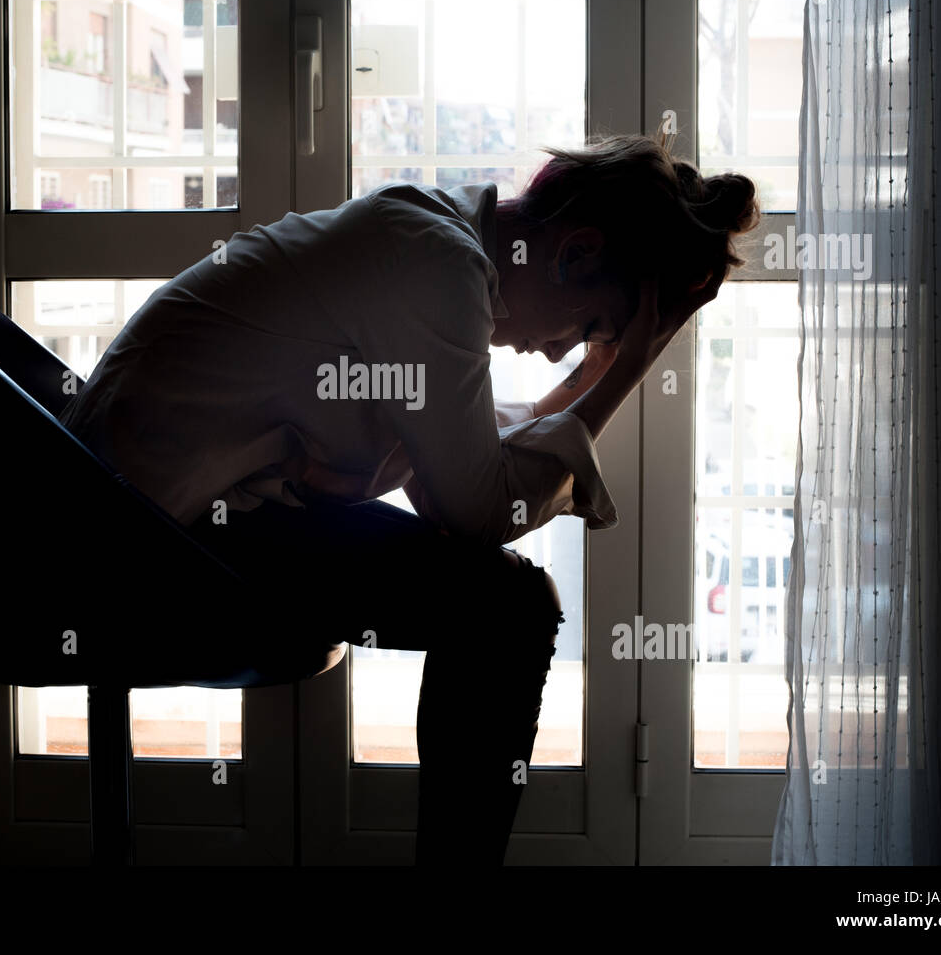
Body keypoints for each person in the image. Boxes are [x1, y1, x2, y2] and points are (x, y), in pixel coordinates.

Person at [59, 129, 759, 865]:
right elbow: (479, 508)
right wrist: (621, 370)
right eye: (585, 328)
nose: (558, 351)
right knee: (510, 609)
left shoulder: (439, 244)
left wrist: (612, 363)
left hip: (175, 515)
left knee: (506, 601)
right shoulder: (436, 267)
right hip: (135, 541)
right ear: (576, 250)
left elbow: (471, 467)